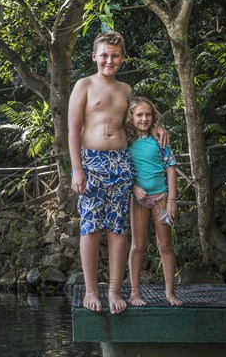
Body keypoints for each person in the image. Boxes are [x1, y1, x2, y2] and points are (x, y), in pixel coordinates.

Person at [68, 30, 167, 314]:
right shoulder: (84, 85)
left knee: (117, 228)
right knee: (91, 226)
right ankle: (90, 290)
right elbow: (73, 129)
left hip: (121, 163)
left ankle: (114, 291)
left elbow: (138, 121)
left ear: (122, 58)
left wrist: (158, 127)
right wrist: (77, 169)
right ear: (94, 57)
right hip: (92, 163)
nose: (109, 61)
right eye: (104, 56)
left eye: (114, 56)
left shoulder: (125, 89)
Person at [124, 96, 183, 307]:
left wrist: (172, 200)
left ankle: (170, 293)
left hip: (161, 198)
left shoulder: (160, 139)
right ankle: (134, 293)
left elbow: (170, 168)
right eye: (139, 115)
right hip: (138, 200)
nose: (144, 119)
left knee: (165, 244)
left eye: (148, 114)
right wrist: (133, 186)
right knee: (138, 245)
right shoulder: (124, 141)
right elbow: (122, 169)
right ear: (130, 117)